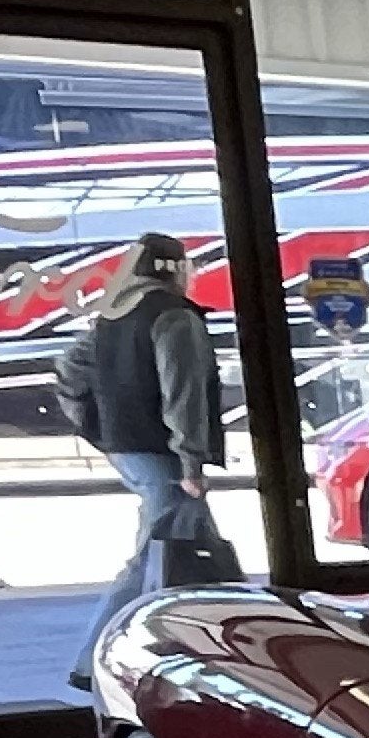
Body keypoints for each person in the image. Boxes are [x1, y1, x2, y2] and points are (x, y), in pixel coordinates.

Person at [59, 231, 229, 686]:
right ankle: (93, 661)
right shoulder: (173, 317)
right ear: (175, 270)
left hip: (128, 447)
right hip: (162, 452)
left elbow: (69, 370)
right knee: (153, 558)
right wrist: (191, 462)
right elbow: (183, 393)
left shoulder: (113, 317)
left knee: (195, 552)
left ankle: (210, 656)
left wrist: (92, 423)